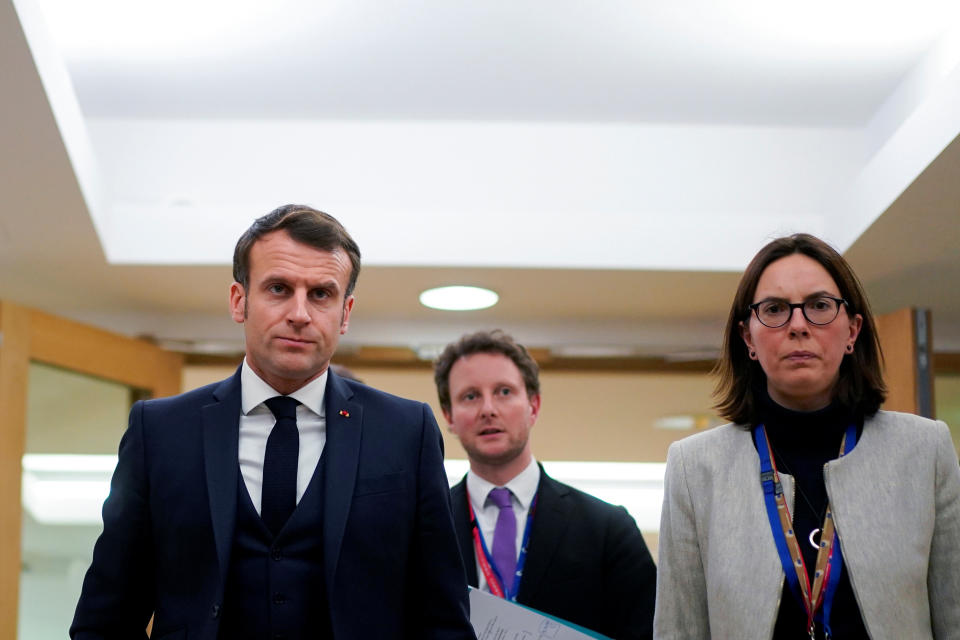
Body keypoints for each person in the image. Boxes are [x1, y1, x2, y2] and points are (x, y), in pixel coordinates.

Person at [71, 205, 475, 640]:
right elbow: (106, 619)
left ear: (345, 312)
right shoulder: (162, 431)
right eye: (279, 288)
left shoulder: (404, 431)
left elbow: (442, 620)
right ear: (239, 300)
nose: (300, 313)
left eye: (321, 294)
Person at [654, 233, 960, 639]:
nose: (797, 325)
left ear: (852, 331)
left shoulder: (925, 451)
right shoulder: (696, 467)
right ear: (748, 337)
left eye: (819, 306)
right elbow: (679, 630)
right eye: (775, 309)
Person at [435, 330, 657, 640]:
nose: (488, 409)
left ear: (534, 406)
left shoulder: (608, 529)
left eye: (504, 392)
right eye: (470, 396)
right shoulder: (425, 528)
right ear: (449, 416)